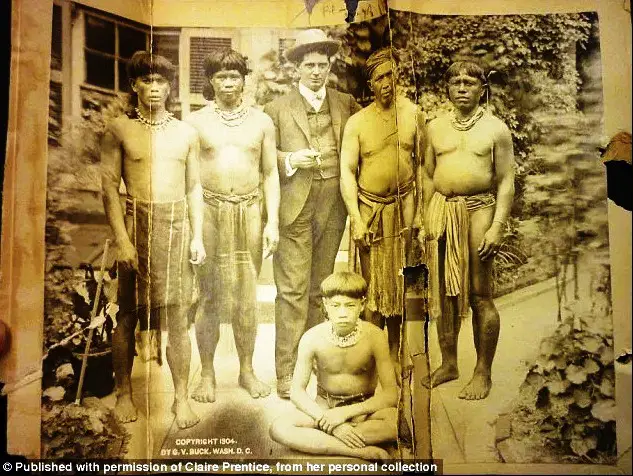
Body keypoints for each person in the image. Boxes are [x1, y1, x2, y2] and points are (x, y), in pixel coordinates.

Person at [101, 51, 206, 428]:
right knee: (127, 315)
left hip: (177, 226)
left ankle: (180, 398)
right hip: (136, 224)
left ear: (169, 86)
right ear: (135, 86)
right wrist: (122, 240)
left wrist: (198, 237)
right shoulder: (119, 129)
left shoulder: (186, 133)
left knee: (178, 318)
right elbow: (109, 190)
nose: (155, 88)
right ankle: (124, 394)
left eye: (162, 81)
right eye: (147, 81)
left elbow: (194, 187)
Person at [263, 29, 361, 398]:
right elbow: (262, 156)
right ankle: (287, 374)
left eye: (322, 64)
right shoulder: (276, 109)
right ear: (297, 69)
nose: (316, 72)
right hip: (294, 205)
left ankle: (319, 368)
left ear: (330, 65)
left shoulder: (345, 103)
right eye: (309, 65)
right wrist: (289, 159)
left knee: (322, 287)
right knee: (291, 290)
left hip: (333, 205)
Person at [186, 48, 280, 401]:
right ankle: (207, 373)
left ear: (244, 79)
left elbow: (270, 174)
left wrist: (273, 224)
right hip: (209, 212)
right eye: (221, 77)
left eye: (235, 76)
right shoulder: (196, 123)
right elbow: (190, 180)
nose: (228, 83)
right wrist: (195, 230)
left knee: (246, 298)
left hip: (250, 211)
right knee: (208, 297)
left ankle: (247, 370)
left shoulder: (261, 122)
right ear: (211, 81)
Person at [422, 60, 515, 400]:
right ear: (446, 88)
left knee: (479, 293)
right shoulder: (434, 128)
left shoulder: (495, 129)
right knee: (445, 293)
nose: (462, 88)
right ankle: (449, 364)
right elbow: (428, 175)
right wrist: (424, 220)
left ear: (481, 88)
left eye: (469, 83)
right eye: (456, 82)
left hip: (480, 211)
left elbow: (506, 181)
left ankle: (482, 372)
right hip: (443, 212)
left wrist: (497, 227)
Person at [340, 48, 425, 369]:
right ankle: (374, 356)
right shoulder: (357, 123)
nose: (387, 83)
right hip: (369, 209)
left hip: (403, 207)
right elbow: (348, 172)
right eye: (379, 78)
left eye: (391, 75)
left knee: (401, 283)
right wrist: (356, 218)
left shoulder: (414, 115)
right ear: (370, 84)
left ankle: (396, 351)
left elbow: (421, 168)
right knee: (371, 285)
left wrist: (417, 214)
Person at [269, 272, 398, 460]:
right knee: (279, 428)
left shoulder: (375, 336)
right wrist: (333, 423)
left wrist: (344, 413)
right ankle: (358, 450)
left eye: (350, 305)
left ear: (362, 305)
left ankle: (325, 441)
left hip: (363, 412)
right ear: (326, 306)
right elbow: (297, 392)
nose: (343, 313)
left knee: (397, 423)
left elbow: (390, 395)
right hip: (323, 411)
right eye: (336, 306)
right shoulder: (312, 338)